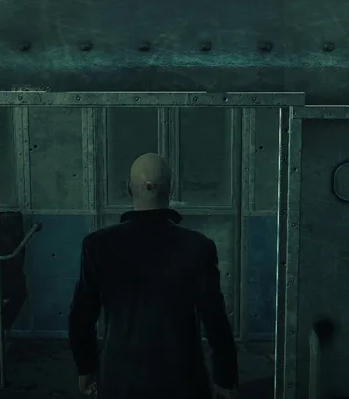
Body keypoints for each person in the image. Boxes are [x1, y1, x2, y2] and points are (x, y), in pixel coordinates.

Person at [68, 153, 239, 399]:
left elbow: (82, 316)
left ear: (129, 187)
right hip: (183, 379)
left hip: (120, 378)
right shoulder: (198, 247)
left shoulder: (97, 246)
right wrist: (225, 377)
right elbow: (215, 320)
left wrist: (85, 367)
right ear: (171, 189)